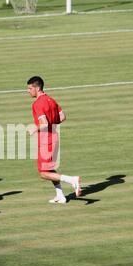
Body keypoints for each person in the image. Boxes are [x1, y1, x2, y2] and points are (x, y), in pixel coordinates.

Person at [27, 76, 81, 204]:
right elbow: (62, 117)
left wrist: (34, 128)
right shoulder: (51, 100)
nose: (28, 91)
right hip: (54, 137)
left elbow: (44, 124)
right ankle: (60, 195)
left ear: (37, 88)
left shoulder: (38, 104)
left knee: (43, 173)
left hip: (46, 140)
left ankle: (72, 180)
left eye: (30, 88)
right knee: (49, 169)